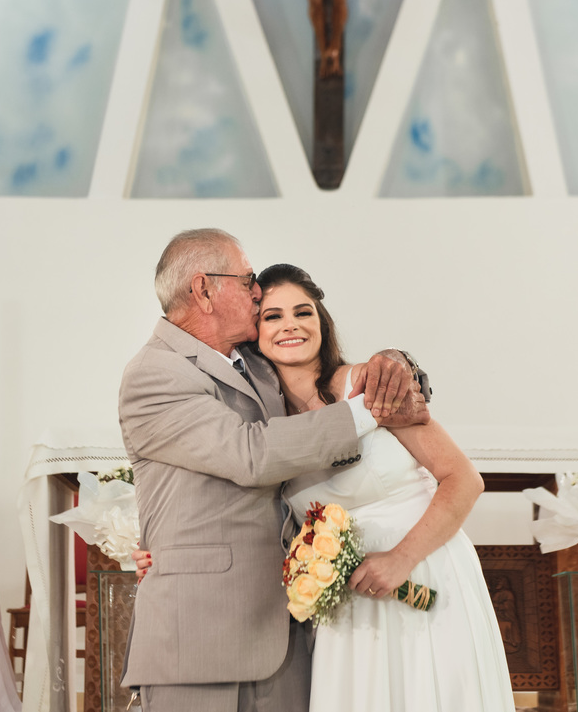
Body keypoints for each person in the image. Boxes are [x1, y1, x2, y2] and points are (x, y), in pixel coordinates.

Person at [118, 229, 428, 712]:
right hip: (198, 640)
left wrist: (396, 365)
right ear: (203, 290)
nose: (257, 290)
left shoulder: (258, 364)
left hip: (285, 635)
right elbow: (252, 454)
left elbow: (320, 370)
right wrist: (369, 409)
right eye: (246, 281)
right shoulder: (154, 373)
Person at [256, 263, 516, 711]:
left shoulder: (369, 384)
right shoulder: (264, 424)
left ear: (322, 322)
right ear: (255, 332)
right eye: (272, 316)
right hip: (350, 598)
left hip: (425, 569)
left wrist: (400, 559)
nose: (290, 325)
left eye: (303, 312)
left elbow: (463, 479)